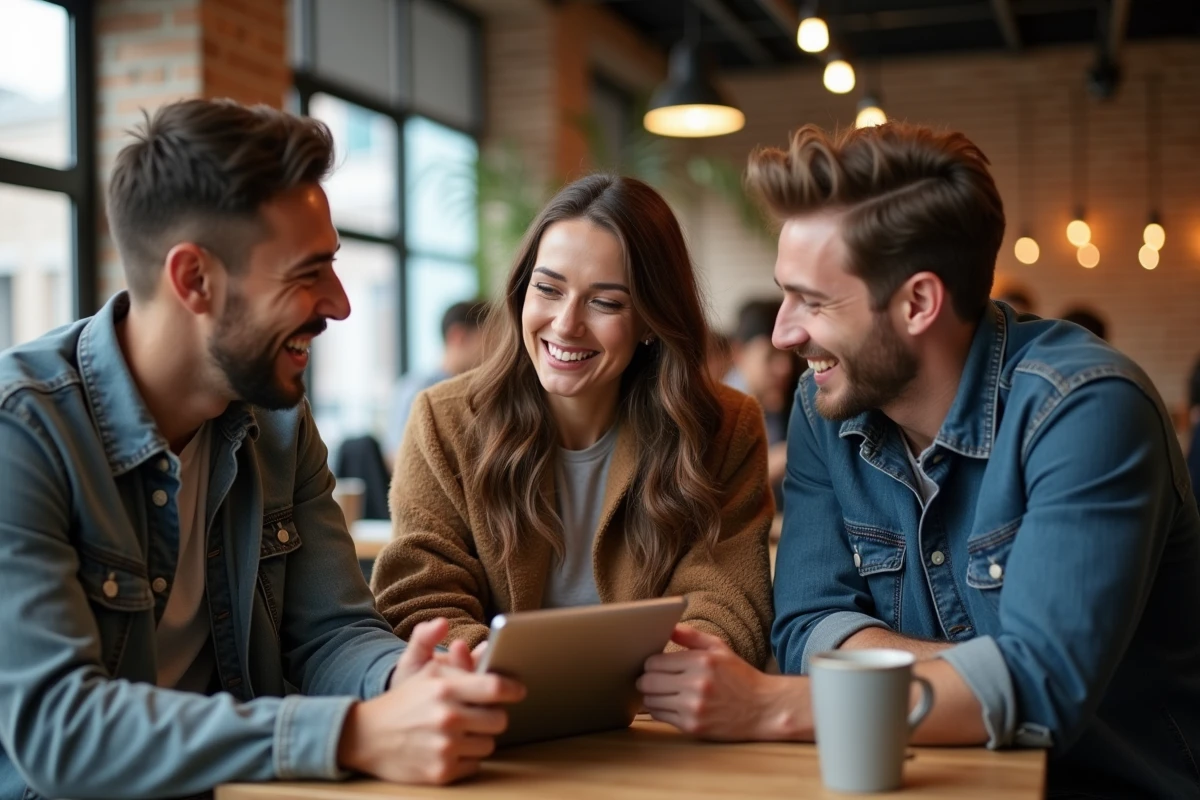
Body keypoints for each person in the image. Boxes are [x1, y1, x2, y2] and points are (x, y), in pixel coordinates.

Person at [637, 122, 1200, 798]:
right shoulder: (828, 411)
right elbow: (805, 628)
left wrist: (766, 705)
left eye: (812, 301)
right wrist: (986, 671)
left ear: (918, 303)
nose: (784, 333)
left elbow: (1040, 687)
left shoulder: (1084, 409)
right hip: (927, 777)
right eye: (784, 294)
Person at [0, 99, 523, 800]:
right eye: (308, 273)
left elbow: (331, 631)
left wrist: (402, 680)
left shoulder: (277, 421)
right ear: (194, 280)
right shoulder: (23, 434)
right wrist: (351, 734)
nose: (339, 304)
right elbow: (59, 730)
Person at [371, 174, 774, 668]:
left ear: (651, 319)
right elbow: (420, 598)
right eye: (548, 289)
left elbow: (727, 603)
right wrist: (499, 671)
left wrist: (625, 684)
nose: (566, 324)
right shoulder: (444, 422)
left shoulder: (724, 427)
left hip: (659, 724)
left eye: (605, 301)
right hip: (494, 718)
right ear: (523, 291)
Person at [384, 299, 489, 458]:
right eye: (491, 339)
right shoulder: (420, 390)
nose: (496, 352)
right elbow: (398, 458)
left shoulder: (477, 392)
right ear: (458, 337)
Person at [724, 299, 798, 494]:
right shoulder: (716, 413)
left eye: (789, 355)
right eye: (771, 355)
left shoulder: (775, 402)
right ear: (739, 353)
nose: (785, 368)